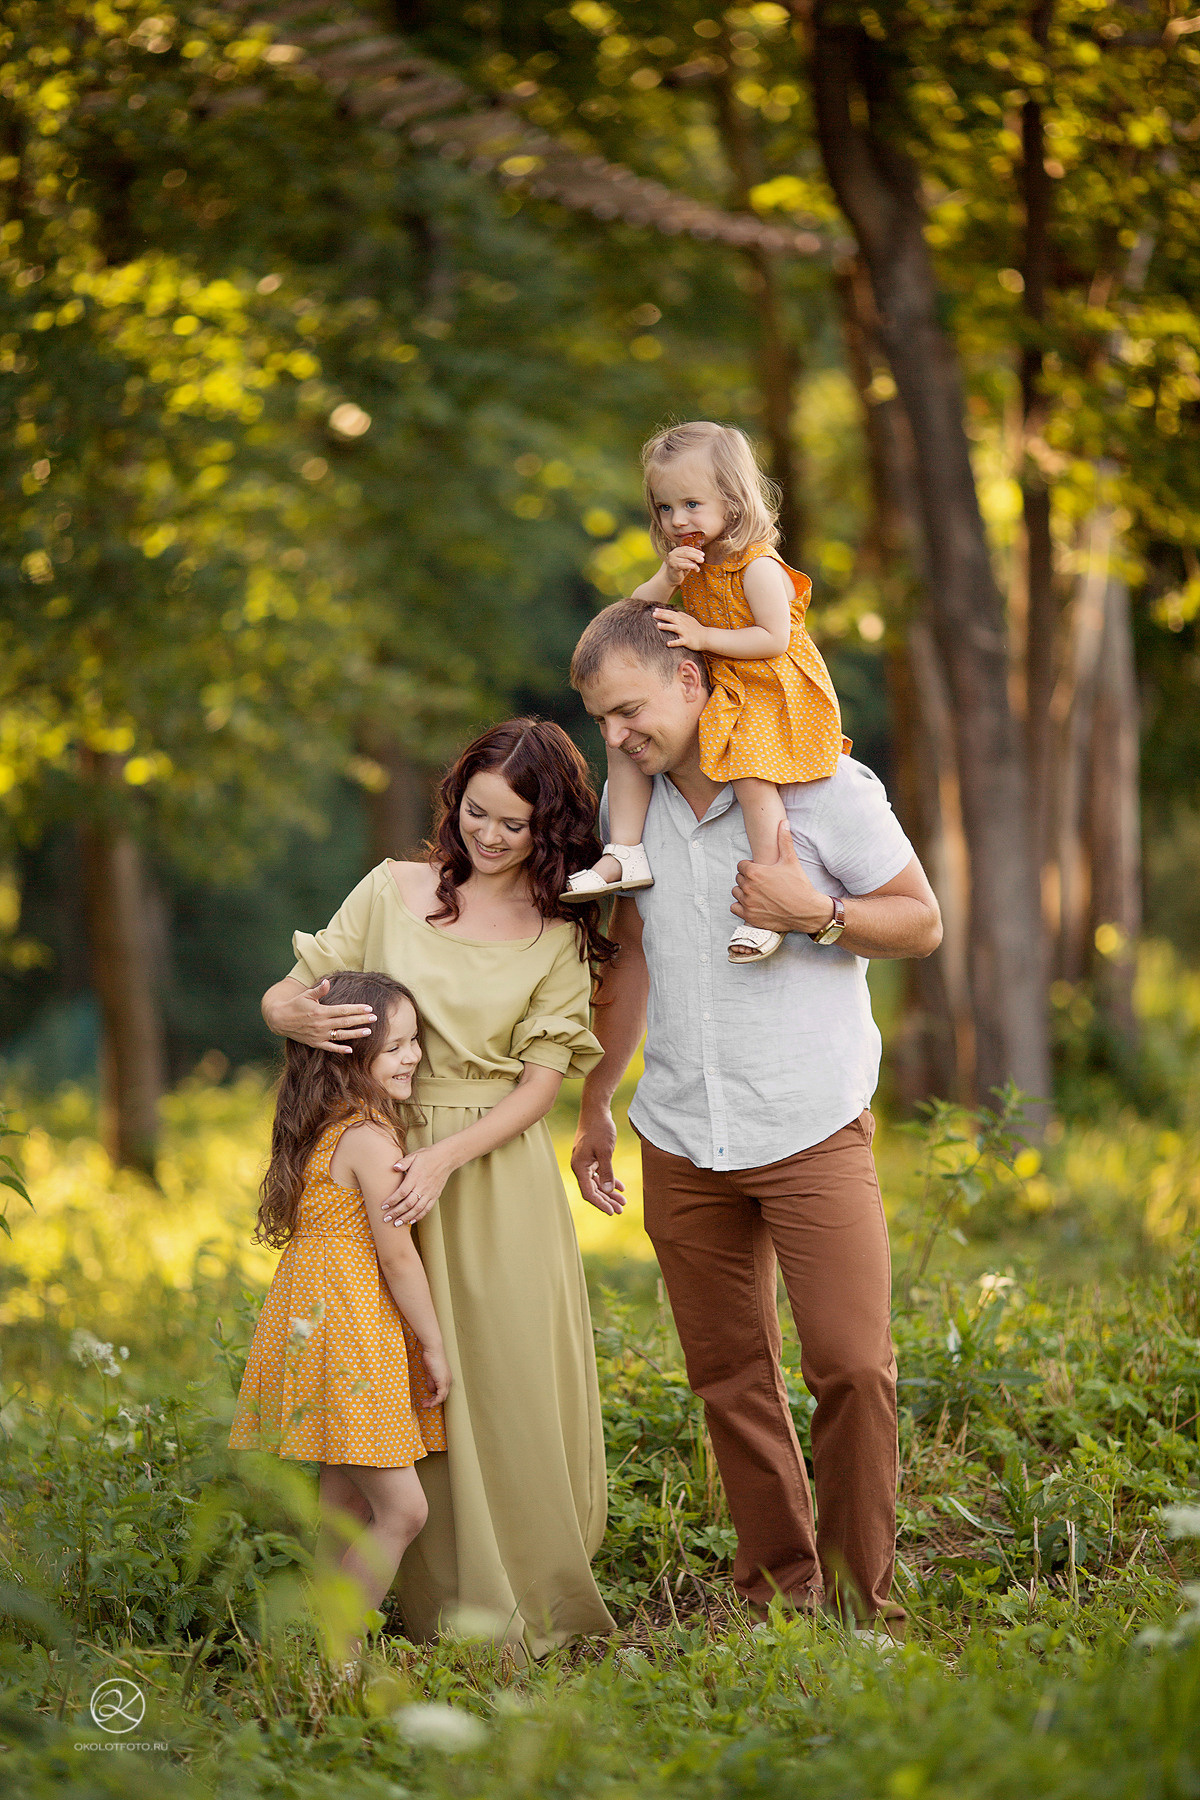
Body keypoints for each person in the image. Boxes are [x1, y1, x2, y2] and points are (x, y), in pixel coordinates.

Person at [568, 598, 943, 1629]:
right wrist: (600, 1098)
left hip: (812, 1121)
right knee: (731, 1378)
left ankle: (864, 1612)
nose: (618, 737)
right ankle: (781, 1597)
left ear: (691, 679)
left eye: (630, 710)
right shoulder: (630, 816)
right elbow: (634, 956)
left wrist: (817, 914)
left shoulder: (824, 788)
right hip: (682, 1134)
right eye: (602, 720)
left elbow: (920, 921)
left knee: (854, 1368)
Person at [260, 720, 616, 1657]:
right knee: (396, 1381)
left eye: (517, 825)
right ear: (454, 799)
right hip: (377, 1154)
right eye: (476, 813)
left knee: (495, 1380)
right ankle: (399, 1602)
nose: (490, 837)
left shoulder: (560, 930)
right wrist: (283, 1010)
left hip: (492, 1171)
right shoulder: (390, 889)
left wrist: (446, 1161)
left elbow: (544, 1083)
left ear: (554, 829)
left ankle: (518, 1597)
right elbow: (293, 993)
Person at [563, 421, 847, 965]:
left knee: (749, 768)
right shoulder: (688, 563)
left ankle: (767, 899)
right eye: (666, 509)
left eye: (691, 504)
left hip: (767, 687)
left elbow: (773, 638)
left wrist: (702, 636)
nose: (678, 521)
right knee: (621, 738)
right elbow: (635, 610)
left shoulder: (757, 566)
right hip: (715, 683)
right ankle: (625, 851)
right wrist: (666, 580)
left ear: (734, 502)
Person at [230, 971, 451, 1653]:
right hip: (349, 1339)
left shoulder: (323, 1130)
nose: (412, 1056)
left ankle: (310, 1661)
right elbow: (400, 1258)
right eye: (394, 1048)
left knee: (344, 1506)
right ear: (349, 1058)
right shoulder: (370, 1142)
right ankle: (337, 1653)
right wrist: (435, 1344)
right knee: (403, 1509)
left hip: (315, 1331)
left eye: (415, 1041)